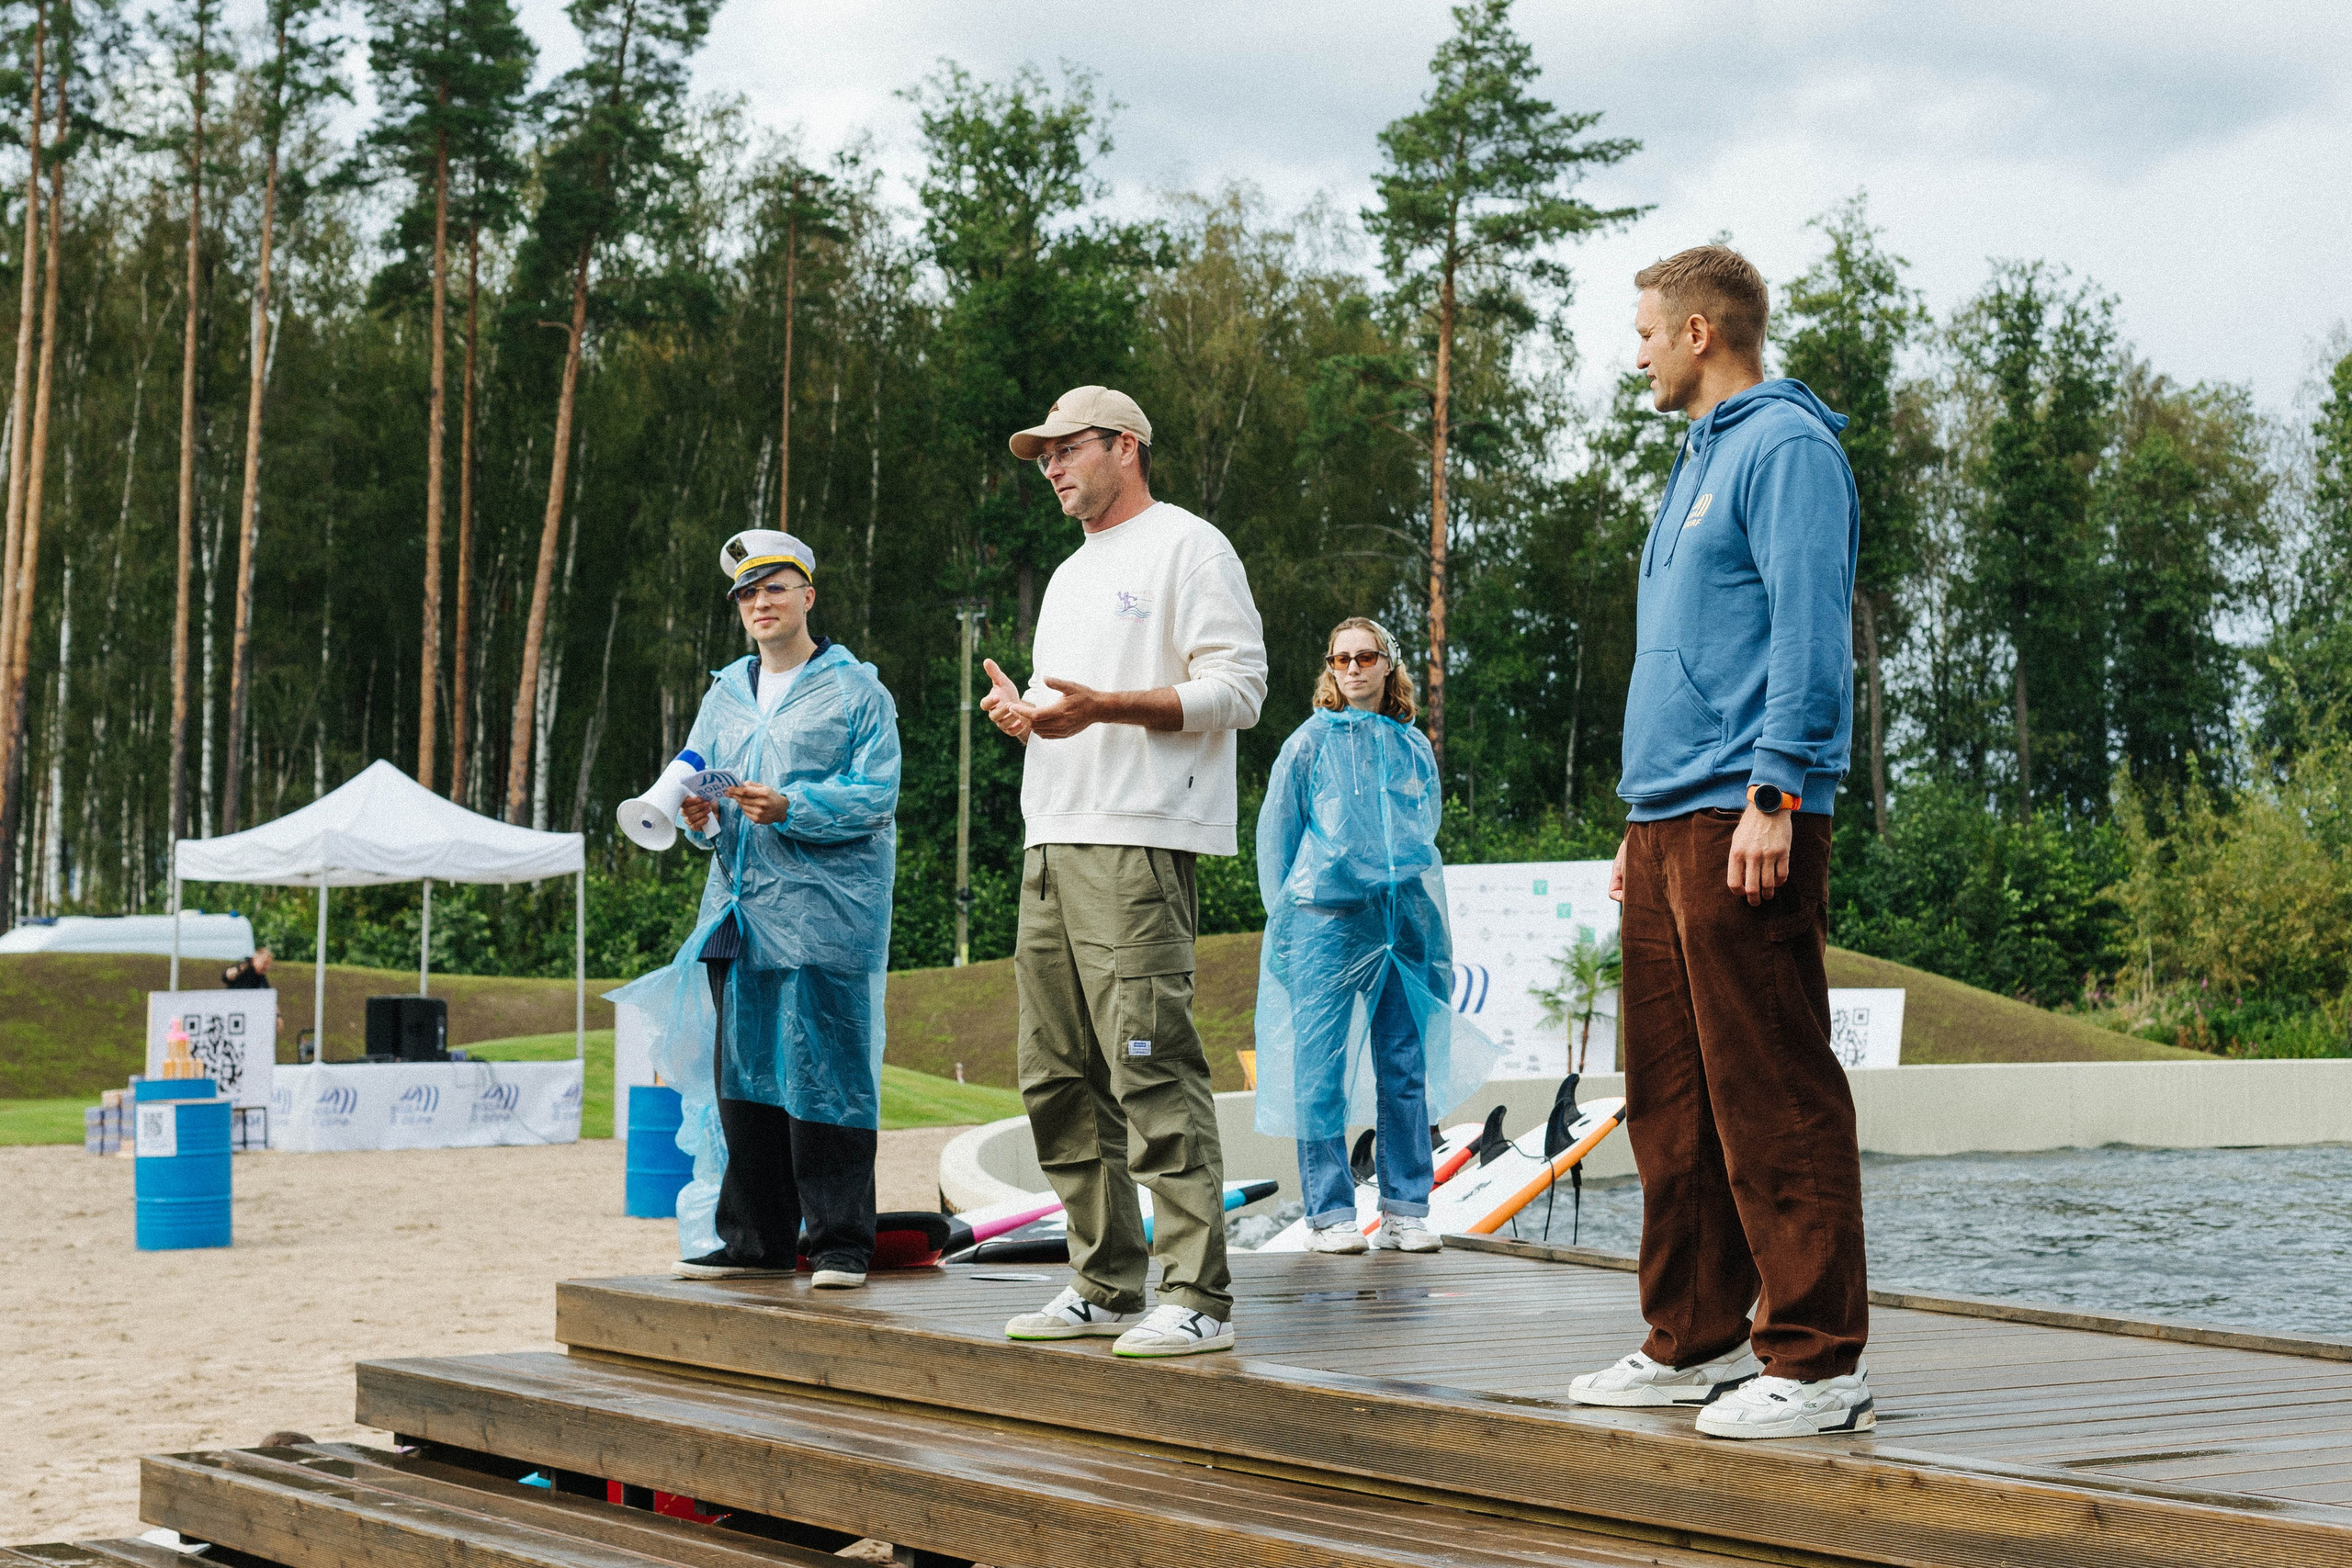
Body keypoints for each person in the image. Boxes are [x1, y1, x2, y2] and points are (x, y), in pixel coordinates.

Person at [1566, 246, 1871, 1439]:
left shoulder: (1787, 448)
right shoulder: (1700, 457)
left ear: (1699, 332)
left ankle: (1818, 1361)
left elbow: (1808, 630)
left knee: (1772, 1086)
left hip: (1747, 811)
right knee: (1673, 1099)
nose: (1636, 353)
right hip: (1668, 817)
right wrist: (1639, 823)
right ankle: (1691, 1338)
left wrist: (1777, 791)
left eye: (1646, 331)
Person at [979, 385, 1267, 1358]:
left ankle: (1197, 1295)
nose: (1052, 469)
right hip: (1050, 839)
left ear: (1126, 446)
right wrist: (1029, 719)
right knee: (1055, 1076)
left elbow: (1241, 688)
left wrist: (1107, 706)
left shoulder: (1191, 546)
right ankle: (1104, 1283)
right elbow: (1072, 710)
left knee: (1150, 1063)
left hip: (1140, 841)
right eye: (1043, 457)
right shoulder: (1070, 575)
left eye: (1067, 450)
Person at [608, 528, 902, 1291]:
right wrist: (703, 821)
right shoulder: (725, 693)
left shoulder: (856, 692)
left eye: (775, 587)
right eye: (747, 593)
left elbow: (876, 795)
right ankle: (754, 1242)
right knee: (743, 1080)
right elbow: (701, 790)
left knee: (828, 1076)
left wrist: (792, 805)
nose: (760, 602)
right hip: (738, 918)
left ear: (808, 595)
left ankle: (839, 1244)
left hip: (827, 920)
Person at [1252, 617, 1496, 1254]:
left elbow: (1423, 836)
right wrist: (1285, 927)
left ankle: (1404, 1210)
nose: (1354, 668)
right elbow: (1277, 842)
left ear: (1389, 664)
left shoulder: (1412, 746)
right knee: (1320, 1072)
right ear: (1330, 668)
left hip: (1402, 921)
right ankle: (1330, 1214)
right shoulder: (1307, 745)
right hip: (1326, 924)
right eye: (1342, 658)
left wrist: (1425, 930)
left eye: (1366, 657)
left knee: (1405, 1066)